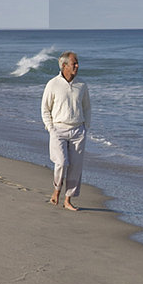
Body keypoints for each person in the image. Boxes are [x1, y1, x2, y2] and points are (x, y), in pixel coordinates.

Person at [41, 51, 91, 211]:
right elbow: (45, 109)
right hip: (59, 129)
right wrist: (51, 128)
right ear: (64, 66)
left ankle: (68, 200)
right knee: (61, 163)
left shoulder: (82, 84)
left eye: (77, 63)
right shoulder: (53, 84)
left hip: (78, 130)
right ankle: (56, 191)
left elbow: (87, 107)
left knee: (76, 167)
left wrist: (86, 127)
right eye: (74, 63)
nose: (77, 66)